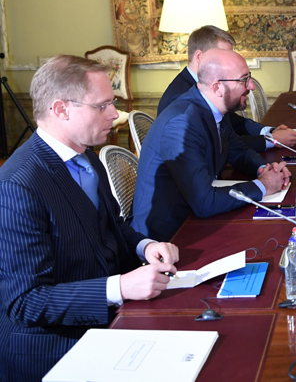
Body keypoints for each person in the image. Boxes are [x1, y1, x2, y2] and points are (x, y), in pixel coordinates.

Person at [0, 56, 179, 382]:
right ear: (61, 110)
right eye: (102, 106)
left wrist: (145, 246)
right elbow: (26, 302)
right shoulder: (18, 184)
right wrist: (120, 287)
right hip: (54, 347)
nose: (114, 114)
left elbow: (113, 226)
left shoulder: (87, 157)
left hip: (110, 318)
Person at [134, 49, 291, 242]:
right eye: (244, 80)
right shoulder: (181, 124)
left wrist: (264, 169)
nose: (251, 85)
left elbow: (238, 150)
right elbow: (204, 202)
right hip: (168, 236)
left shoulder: (213, 108)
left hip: (196, 216)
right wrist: (263, 185)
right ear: (217, 87)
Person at [159, 25, 296, 151]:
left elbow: (233, 121)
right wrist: (272, 140)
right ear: (200, 56)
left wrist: (269, 131)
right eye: (223, 55)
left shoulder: (213, 84)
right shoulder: (179, 98)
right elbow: (221, 144)